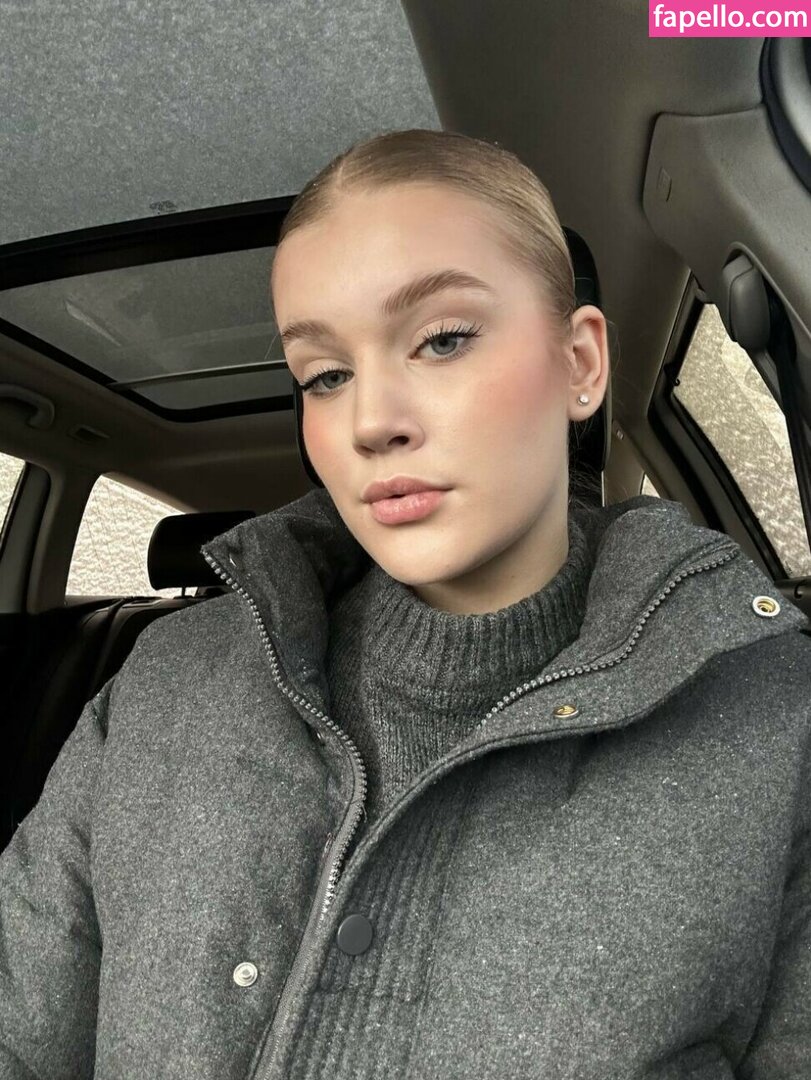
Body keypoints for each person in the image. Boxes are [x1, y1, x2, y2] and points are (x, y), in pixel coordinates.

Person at [1, 128, 810, 1080]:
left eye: (442, 339)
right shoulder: (159, 689)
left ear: (581, 364)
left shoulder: (778, 725)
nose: (370, 421)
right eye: (324, 376)